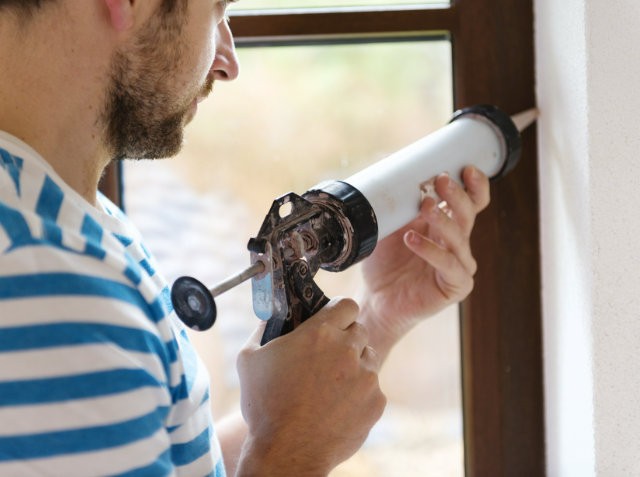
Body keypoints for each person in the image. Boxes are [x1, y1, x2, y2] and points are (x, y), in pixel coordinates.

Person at [0, 0, 491, 476]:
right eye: (216, 8)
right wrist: (291, 451)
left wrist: (378, 316)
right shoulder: (42, 281)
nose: (228, 62)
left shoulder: (67, 217)